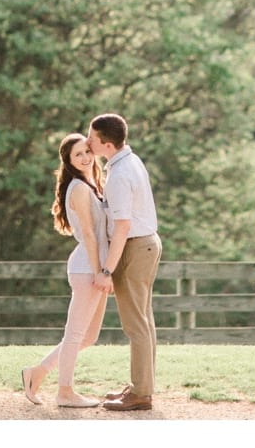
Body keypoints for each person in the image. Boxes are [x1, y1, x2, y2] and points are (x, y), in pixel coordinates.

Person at [21, 132, 110, 407]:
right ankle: (65, 392)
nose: (85, 157)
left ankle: (37, 372)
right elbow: (89, 234)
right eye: (78, 155)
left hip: (96, 266)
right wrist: (100, 272)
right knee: (75, 334)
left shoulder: (91, 184)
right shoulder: (80, 188)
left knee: (89, 336)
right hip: (87, 267)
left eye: (87, 151)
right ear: (69, 161)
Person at [87, 112, 161, 412]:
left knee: (136, 325)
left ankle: (142, 394)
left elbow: (122, 227)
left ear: (106, 144)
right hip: (147, 244)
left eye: (92, 138)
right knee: (144, 320)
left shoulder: (118, 176)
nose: (88, 142)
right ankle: (141, 386)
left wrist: (106, 270)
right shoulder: (131, 160)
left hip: (135, 247)